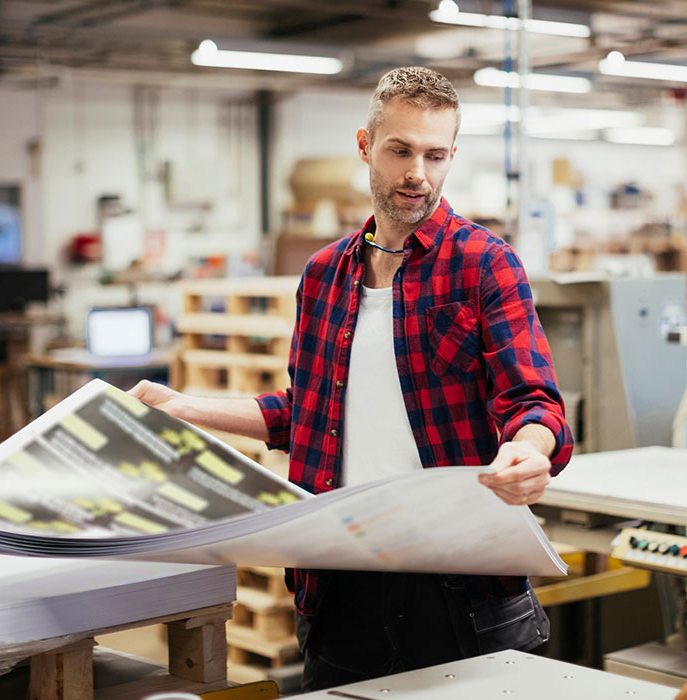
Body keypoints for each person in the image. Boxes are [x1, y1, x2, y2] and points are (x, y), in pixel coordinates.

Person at [129, 66, 573, 691]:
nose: (417, 171)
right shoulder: (322, 276)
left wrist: (530, 452)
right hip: (340, 585)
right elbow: (304, 414)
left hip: (463, 589)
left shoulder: (485, 265)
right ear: (366, 146)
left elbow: (533, 401)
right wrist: (190, 409)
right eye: (400, 150)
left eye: (435, 154)